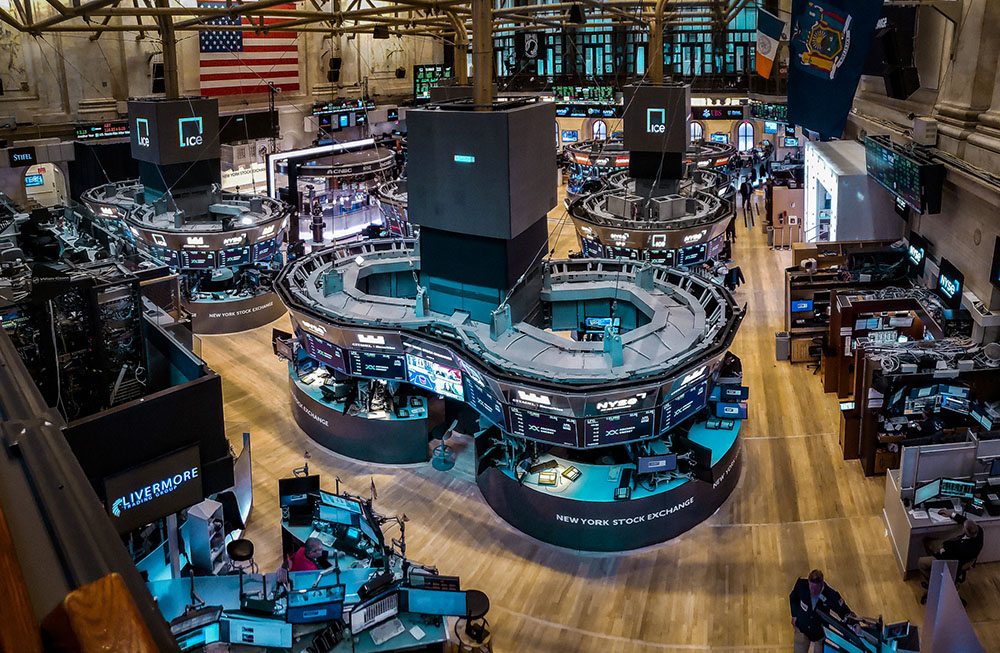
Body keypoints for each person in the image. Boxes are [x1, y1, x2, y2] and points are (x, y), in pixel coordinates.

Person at [789, 569, 853, 653]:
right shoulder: (801, 585)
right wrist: (794, 615)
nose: (813, 591)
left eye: (816, 589)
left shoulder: (831, 594)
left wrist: (854, 624)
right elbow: (793, 597)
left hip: (819, 631)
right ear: (808, 582)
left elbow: (844, 611)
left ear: (822, 584)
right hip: (802, 627)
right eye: (811, 588)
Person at [918, 510, 984, 589]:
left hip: (952, 561)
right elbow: (965, 521)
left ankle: (935, 583)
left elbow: (945, 556)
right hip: (964, 560)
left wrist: (941, 550)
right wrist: (951, 514)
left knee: (922, 562)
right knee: (933, 543)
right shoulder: (979, 531)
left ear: (964, 530)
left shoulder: (959, 547)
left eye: (964, 527)